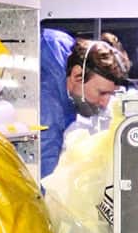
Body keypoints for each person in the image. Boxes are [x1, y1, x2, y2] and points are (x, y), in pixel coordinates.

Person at [38, 29, 131, 178]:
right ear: (77, 76)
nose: (104, 103)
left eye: (110, 94)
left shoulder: (68, 50)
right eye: (101, 93)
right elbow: (43, 176)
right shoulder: (47, 109)